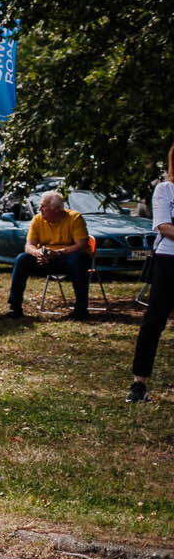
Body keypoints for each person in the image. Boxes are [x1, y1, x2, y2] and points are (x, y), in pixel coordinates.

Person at [128, 145, 174, 401]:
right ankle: (139, 384)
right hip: (168, 260)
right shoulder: (165, 189)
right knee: (154, 322)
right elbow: (164, 227)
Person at [7, 190, 91, 319]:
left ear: (56, 209)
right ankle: (15, 307)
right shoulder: (37, 219)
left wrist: (58, 253)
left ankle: (81, 309)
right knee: (22, 259)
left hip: (67, 259)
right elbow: (28, 246)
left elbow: (82, 245)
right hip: (45, 259)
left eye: (43, 206)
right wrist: (38, 253)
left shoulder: (74, 218)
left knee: (79, 258)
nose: (39, 209)